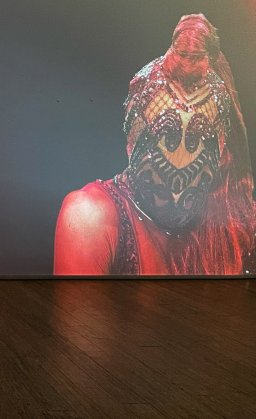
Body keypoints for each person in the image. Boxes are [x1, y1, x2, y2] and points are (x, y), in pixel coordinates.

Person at [54, 14, 255, 275]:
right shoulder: (91, 217)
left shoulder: (239, 228)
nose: (179, 171)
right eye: (164, 140)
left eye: (199, 143)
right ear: (131, 142)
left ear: (221, 147)